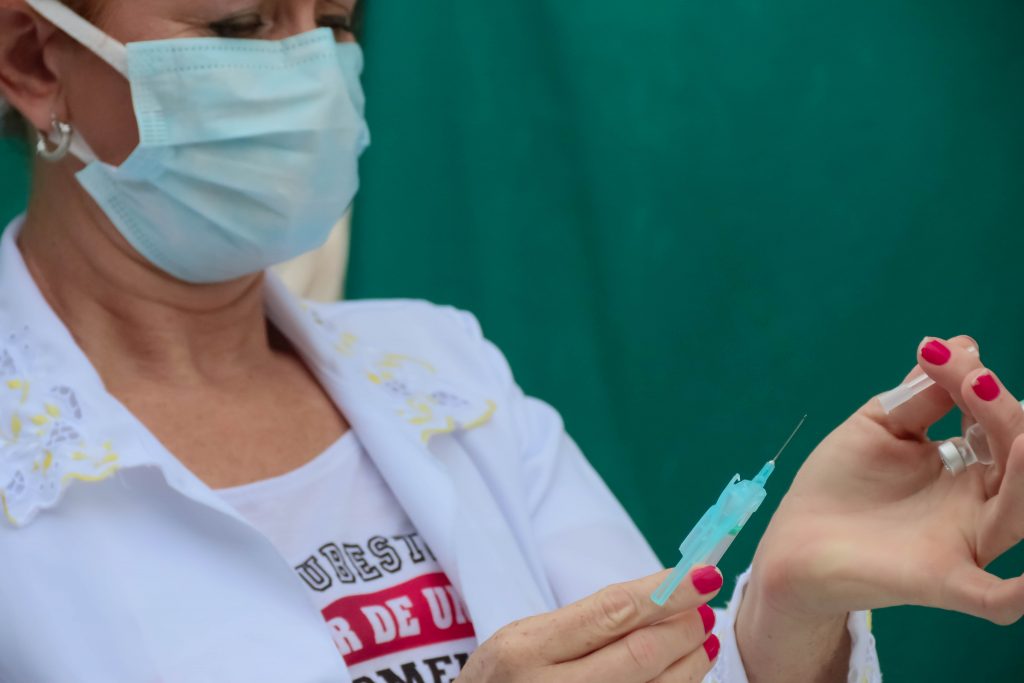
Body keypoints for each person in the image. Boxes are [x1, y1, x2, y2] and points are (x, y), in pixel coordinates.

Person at [0, 1, 1022, 681]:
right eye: (239, 23)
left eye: (338, 25)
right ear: (33, 57)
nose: (306, 73)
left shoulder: (443, 368)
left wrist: (786, 619)